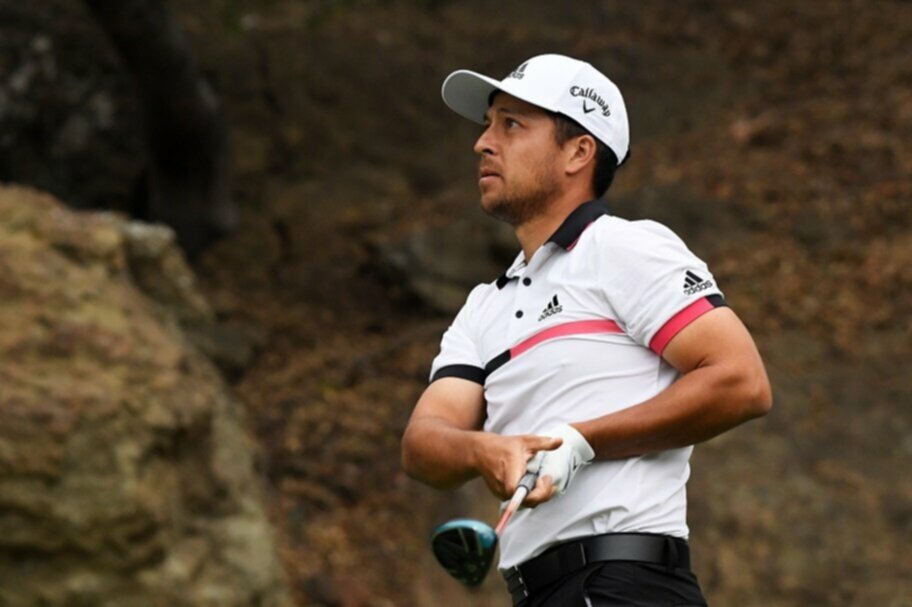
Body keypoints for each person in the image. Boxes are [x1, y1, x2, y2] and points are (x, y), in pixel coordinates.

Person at [401, 53, 772, 606]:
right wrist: (481, 450)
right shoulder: (484, 306)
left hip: (626, 583)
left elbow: (742, 382)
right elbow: (424, 443)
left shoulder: (624, 247)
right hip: (543, 593)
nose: (483, 143)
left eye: (512, 124)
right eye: (487, 125)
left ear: (578, 151)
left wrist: (582, 442)